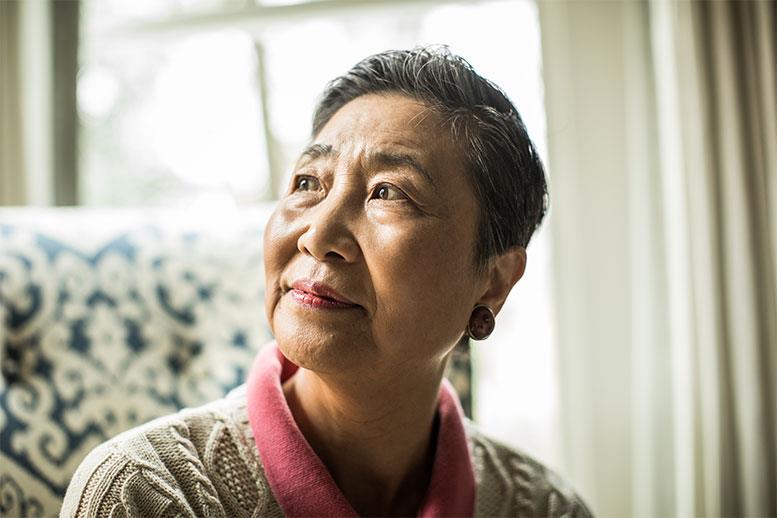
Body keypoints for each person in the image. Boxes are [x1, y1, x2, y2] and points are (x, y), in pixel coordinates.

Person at [61, 46, 591, 517]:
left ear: (493, 281)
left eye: (388, 192)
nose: (319, 235)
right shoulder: (144, 495)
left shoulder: (545, 508)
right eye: (308, 183)